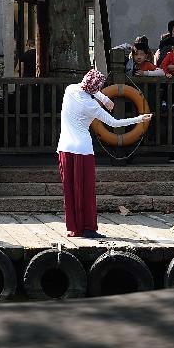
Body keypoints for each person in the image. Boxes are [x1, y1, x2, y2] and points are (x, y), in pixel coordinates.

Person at [57, 69, 152, 238]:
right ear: (98, 88)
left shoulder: (69, 90)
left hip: (64, 148)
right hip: (83, 150)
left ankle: (73, 227)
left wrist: (104, 98)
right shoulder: (92, 106)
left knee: (70, 191)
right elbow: (115, 123)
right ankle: (88, 228)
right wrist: (139, 119)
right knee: (86, 191)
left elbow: (86, 88)